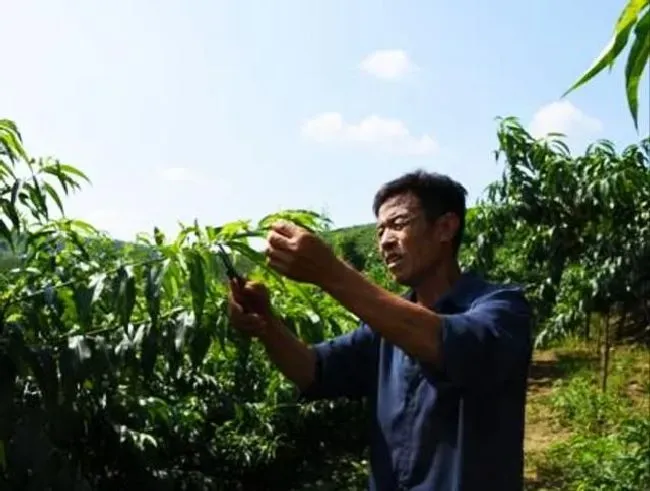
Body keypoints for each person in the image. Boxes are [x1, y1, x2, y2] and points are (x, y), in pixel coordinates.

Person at [227, 170, 533, 491]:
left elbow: (447, 342)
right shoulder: (382, 329)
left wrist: (332, 273)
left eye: (399, 224)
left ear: (445, 227)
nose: (385, 240)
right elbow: (311, 370)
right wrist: (266, 324)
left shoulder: (502, 309)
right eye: (380, 230)